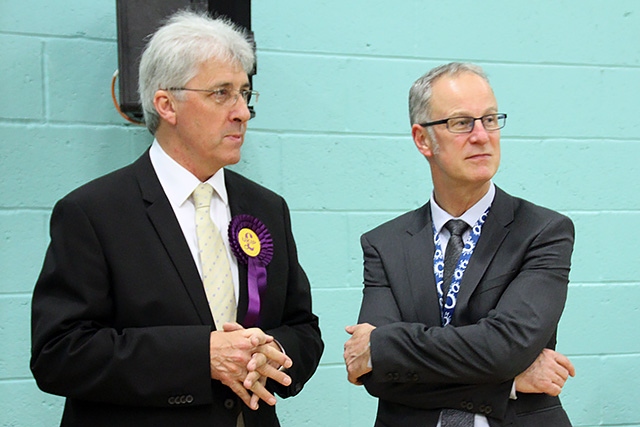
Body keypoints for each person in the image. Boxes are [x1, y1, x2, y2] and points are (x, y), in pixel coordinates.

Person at [31, 10, 323, 427]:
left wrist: (269, 351)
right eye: (221, 93)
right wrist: (199, 356)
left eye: (245, 93)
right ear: (166, 104)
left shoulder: (266, 208)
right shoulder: (92, 212)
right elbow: (58, 353)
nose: (241, 112)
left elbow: (304, 329)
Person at [343, 62, 576, 427]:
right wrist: (509, 383)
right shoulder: (384, 245)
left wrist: (387, 347)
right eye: (461, 123)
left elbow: (505, 347)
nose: (482, 135)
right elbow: (376, 377)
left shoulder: (543, 231)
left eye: (490, 119)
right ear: (423, 140)